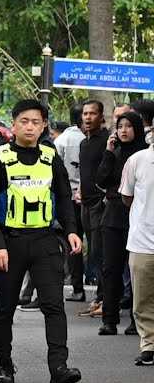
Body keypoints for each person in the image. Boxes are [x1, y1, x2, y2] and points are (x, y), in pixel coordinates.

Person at [0, 99, 83, 383]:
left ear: (44, 126)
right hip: (9, 242)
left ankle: (59, 367)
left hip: (44, 240)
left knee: (54, 306)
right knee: (4, 309)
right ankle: (4, 362)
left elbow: (63, 197)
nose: (29, 126)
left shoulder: (50, 157)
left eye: (36, 122)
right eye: (24, 121)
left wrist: (71, 230)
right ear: (13, 124)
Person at [96, 111, 144, 335]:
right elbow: (102, 180)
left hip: (138, 218)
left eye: (129, 126)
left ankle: (137, 322)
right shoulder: (113, 153)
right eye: (120, 126)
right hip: (113, 217)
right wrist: (107, 152)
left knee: (136, 271)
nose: (124, 130)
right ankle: (109, 319)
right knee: (110, 270)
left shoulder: (144, 156)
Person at [120, 133, 154, 365]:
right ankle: (149, 345)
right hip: (143, 241)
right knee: (142, 298)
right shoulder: (137, 160)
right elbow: (127, 196)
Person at [78, 99, 109, 314]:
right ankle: (99, 297)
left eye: (92, 114)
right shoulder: (83, 142)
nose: (88, 117)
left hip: (101, 204)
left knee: (100, 253)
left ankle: (103, 299)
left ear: (101, 117)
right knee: (92, 254)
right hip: (85, 203)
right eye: (85, 113)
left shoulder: (107, 141)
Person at [55, 104, 87, 301]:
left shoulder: (61, 140)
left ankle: (77, 288)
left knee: (72, 243)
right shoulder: (86, 139)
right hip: (85, 198)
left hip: (68, 198)